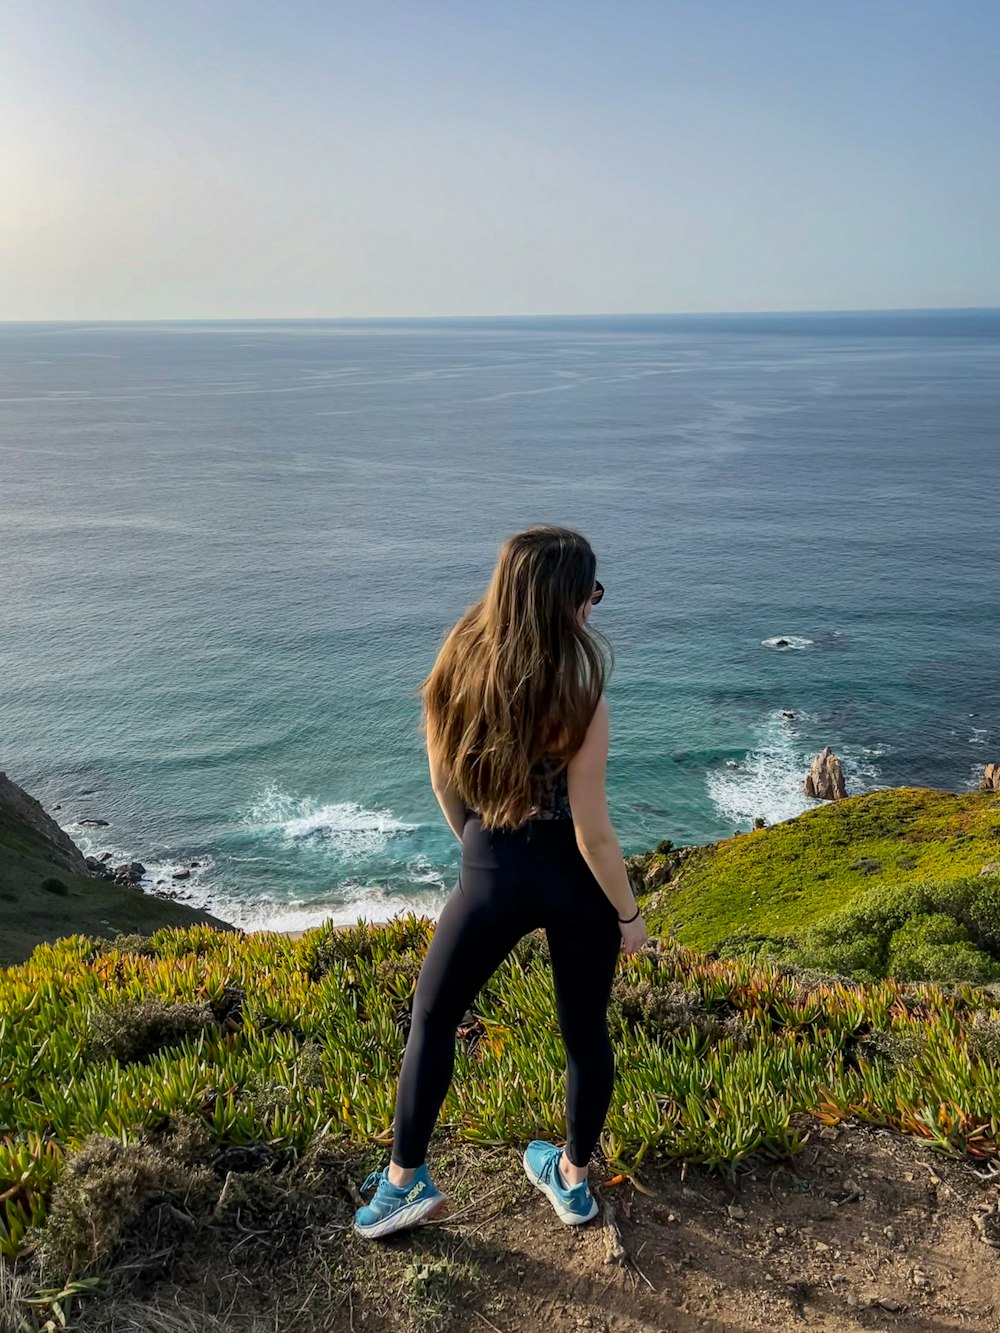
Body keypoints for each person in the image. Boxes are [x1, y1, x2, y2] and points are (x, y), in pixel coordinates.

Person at [354, 525, 648, 1240]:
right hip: (576, 885)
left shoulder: (457, 664)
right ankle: (574, 1179)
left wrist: (481, 848)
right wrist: (630, 916)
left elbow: (443, 780)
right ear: (566, 602)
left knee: (432, 1016)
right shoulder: (583, 700)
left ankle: (404, 1182)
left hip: (492, 864)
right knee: (584, 1034)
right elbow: (593, 832)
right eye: (591, 594)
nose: (594, 608)